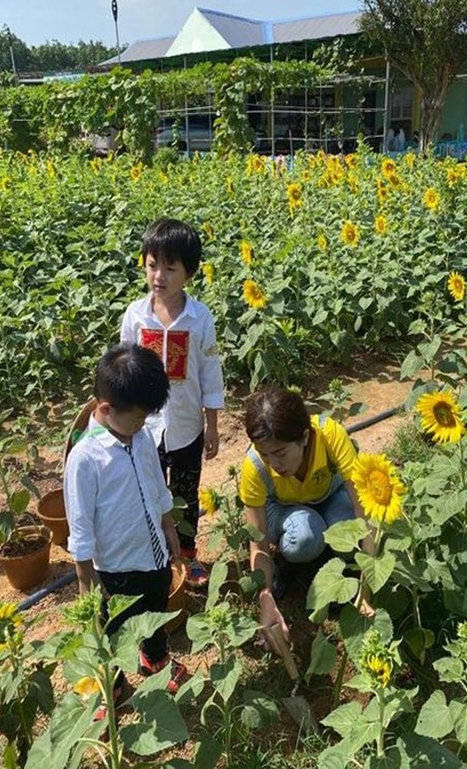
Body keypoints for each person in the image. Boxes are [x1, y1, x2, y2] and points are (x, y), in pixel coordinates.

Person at [64, 343, 186, 719]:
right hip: (115, 568)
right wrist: (86, 579)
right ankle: (112, 686)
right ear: (104, 409)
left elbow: (155, 482)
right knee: (114, 630)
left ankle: (154, 657)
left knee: (155, 607)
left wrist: (168, 523)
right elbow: (80, 524)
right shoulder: (85, 459)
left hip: (153, 555)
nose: (141, 426)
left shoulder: (142, 436)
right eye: (135, 419)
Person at [120, 218, 224, 588]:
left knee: (184, 492)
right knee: (147, 488)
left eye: (169, 267)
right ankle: (154, 553)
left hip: (185, 426)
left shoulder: (200, 318)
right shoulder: (135, 315)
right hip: (144, 427)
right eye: (152, 265)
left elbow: (210, 372)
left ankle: (188, 554)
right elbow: (125, 370)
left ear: (190, 272)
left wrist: (212, 425)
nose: (158, 275)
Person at [240, 387, 374, 654]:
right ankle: (289, 565)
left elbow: (364, 511)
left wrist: (367, 588)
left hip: (329, 495)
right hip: (284, 508)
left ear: (304, 437)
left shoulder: (329, 434)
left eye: (280, 453)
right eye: (265, 454)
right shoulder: (254, 467)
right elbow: (258, 544)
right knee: (305, 537)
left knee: (348, 534)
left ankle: (334, 568)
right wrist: (265, 597)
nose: (273, 463)